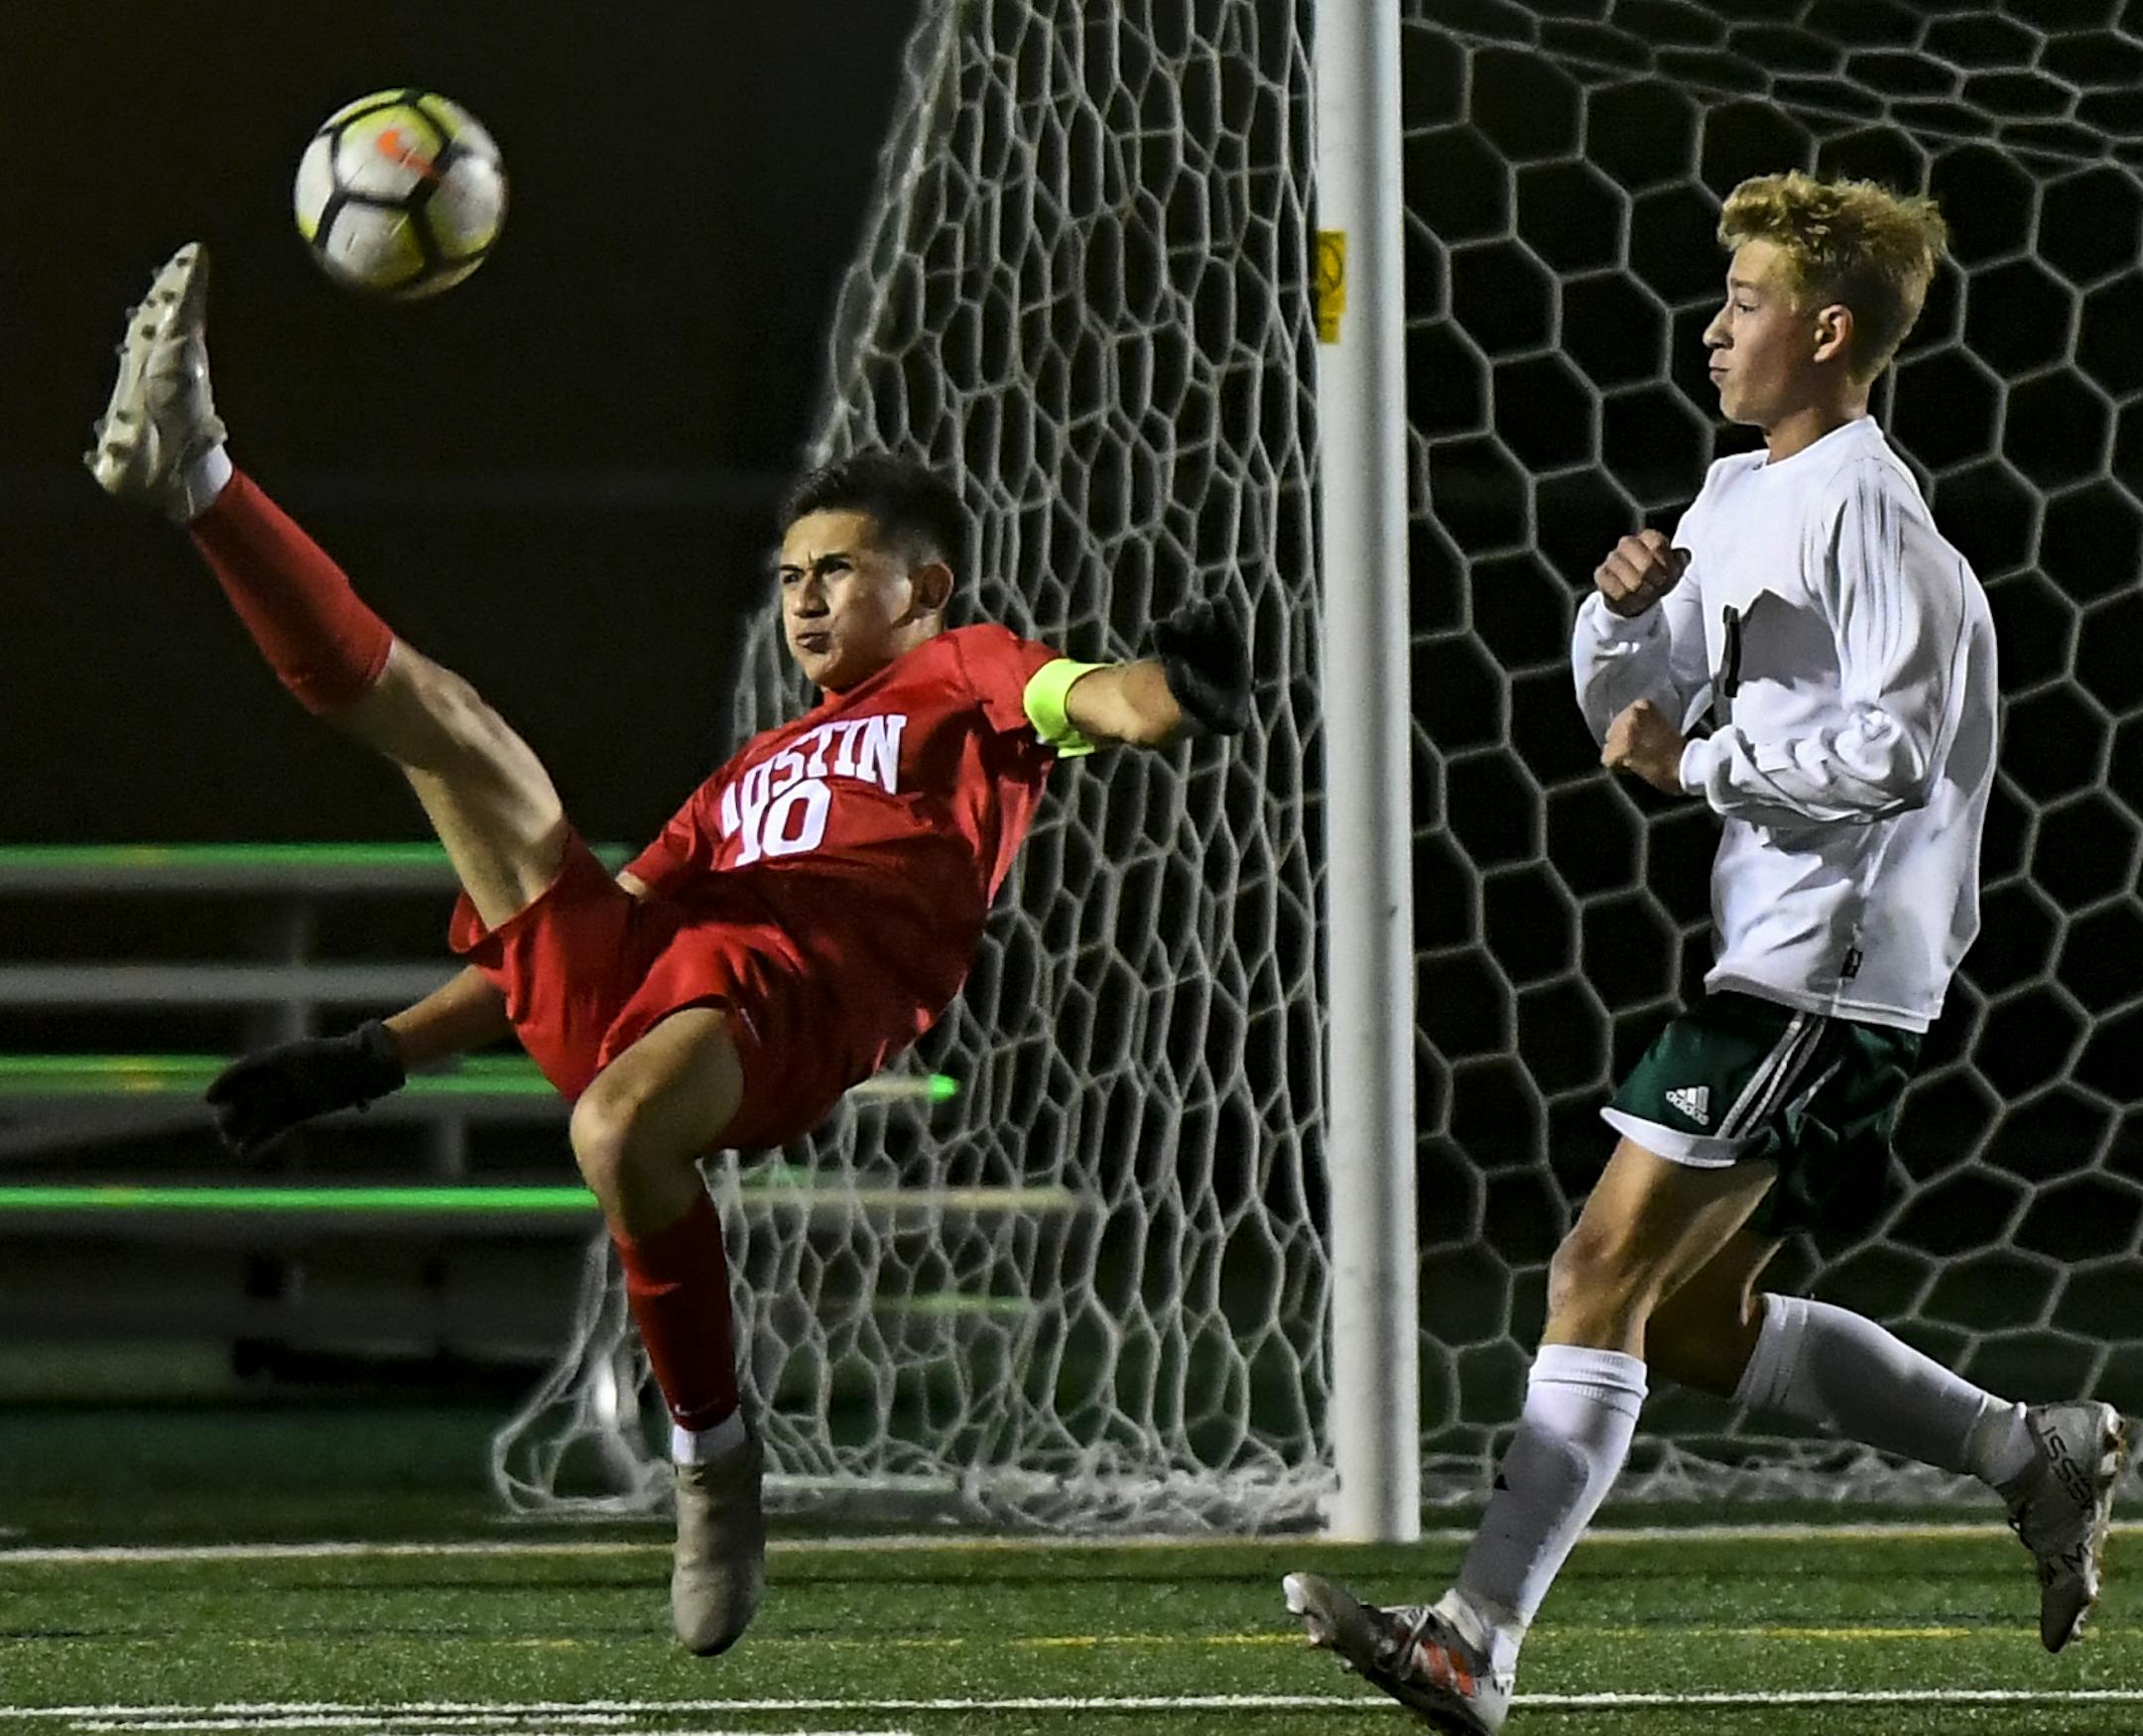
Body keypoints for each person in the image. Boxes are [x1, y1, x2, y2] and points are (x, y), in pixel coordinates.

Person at [86, 241, 1250, 1658]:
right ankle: (200, 480)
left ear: (928, 583)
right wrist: (369, 1057)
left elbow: (1099, 700)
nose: (805, 596)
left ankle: (714, 1463)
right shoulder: (751, 770)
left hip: (786, 1002)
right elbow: (574, 944)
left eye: (836, 570)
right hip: (672, 974)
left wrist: (1177, 693)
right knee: (449, 729)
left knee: (622, 1119)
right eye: (789, 576)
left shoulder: (970, 672)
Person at [1282, 171, 2126, 1733]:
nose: (1713, 327)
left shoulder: (1874, 511)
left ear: (1825, 331)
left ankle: (1475, 1638)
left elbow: (1888, 753)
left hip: (1832, 962)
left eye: (1743, 303)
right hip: (1771, 956)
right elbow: (1634, 695)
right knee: (1686, 1318)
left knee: (1596, 1269)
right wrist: (1623, 618)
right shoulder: (1746, 494)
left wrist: (1701, 768)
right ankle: (2030, 1449)